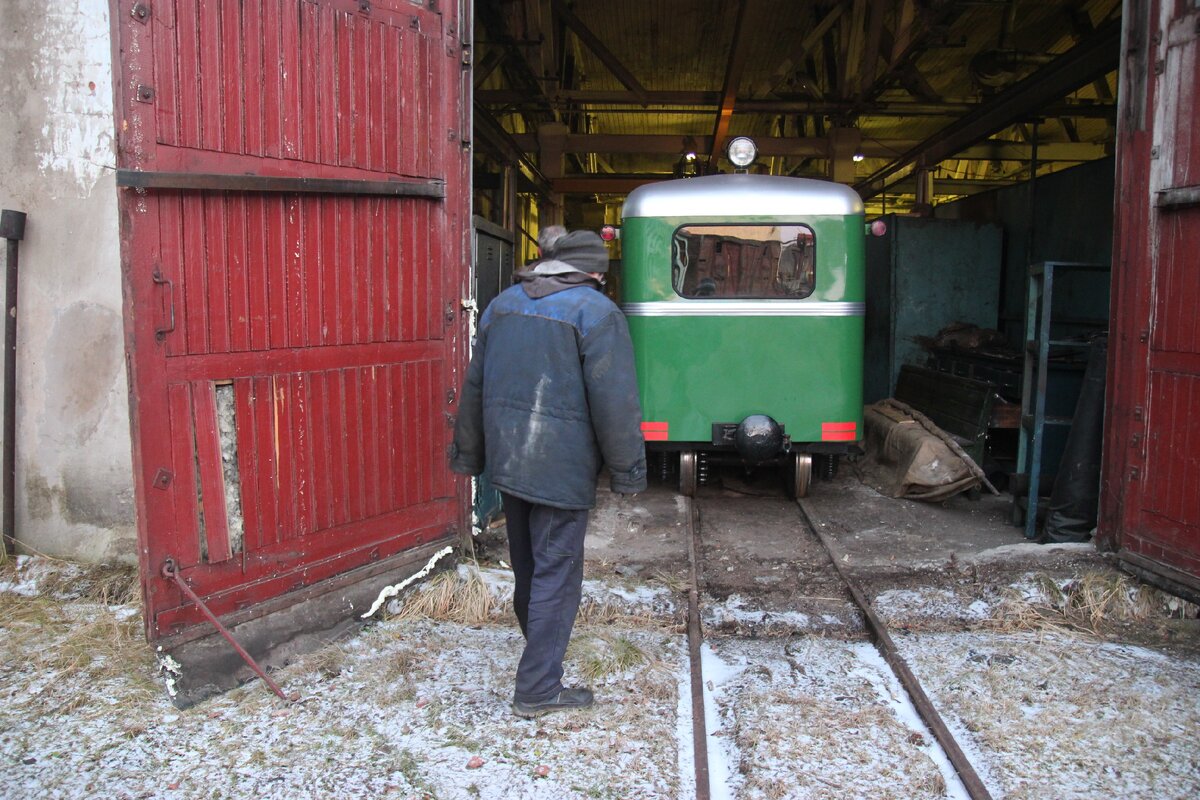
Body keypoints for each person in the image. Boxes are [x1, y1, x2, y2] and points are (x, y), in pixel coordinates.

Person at [450, 229, 647, 718]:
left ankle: (540, 655)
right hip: (561, 468)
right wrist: (628, 472)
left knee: (531, 569)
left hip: (511, 459)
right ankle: (538, 687)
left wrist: (470, 455)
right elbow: (615, 404)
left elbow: (474, 385)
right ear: (593, 272)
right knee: (557, 576)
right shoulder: (597, 313)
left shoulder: (503, 305)